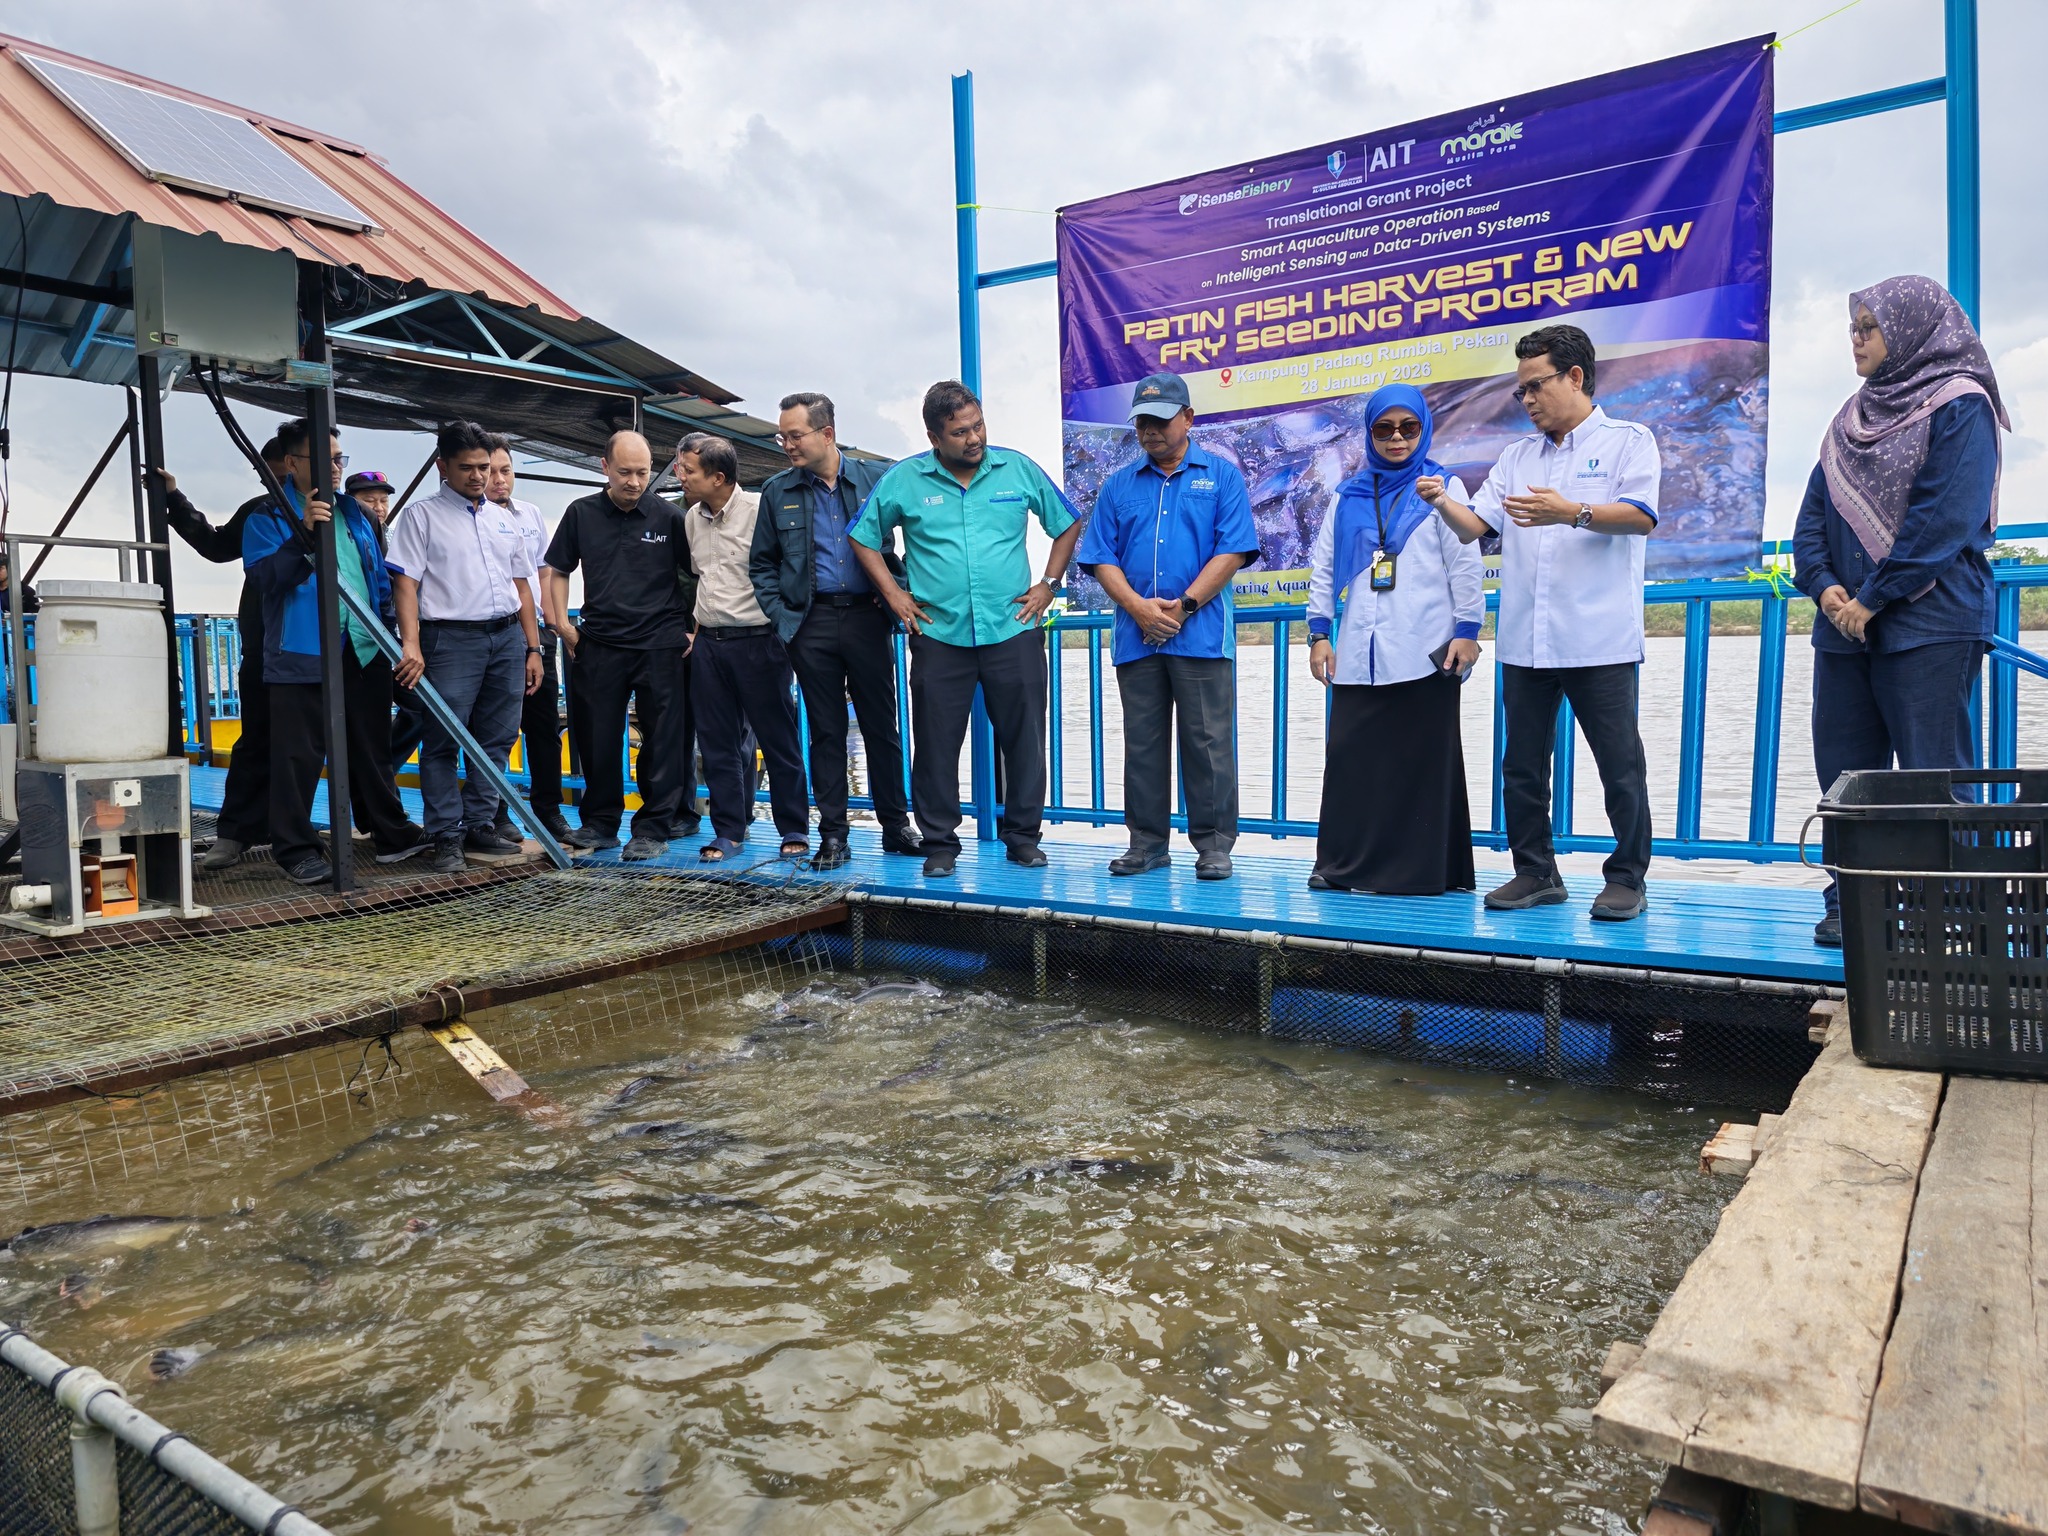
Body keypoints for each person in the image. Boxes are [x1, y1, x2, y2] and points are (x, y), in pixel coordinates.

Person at [1794, 275, 2008, 948]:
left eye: (1870, 327)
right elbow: (1811, 520)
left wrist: (1873, 597)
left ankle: (1948, 910)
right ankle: (1853, 900)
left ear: (1913, 331)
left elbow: (1946, 516)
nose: (1855, 339)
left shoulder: (1961, 404)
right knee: (1846, 778)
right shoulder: (1849, 418)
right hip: (1844, 630)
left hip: (1930, 624)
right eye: (1852, 327)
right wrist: (1825, 588)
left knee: (1932, 777)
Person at [1427, 323, 1660, 921]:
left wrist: (1572, 512)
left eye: (1536, 385)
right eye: (1521, 390)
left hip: (1598, 638)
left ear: (1575, 377)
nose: (1527, 399)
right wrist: (1442, 502)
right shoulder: (1516, 456)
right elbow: (1477, 529)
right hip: (1526, 640)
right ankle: (1536, 872)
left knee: (1619, 764)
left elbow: (1640, 516)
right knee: (1522, 767)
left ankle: (1627, 878)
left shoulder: (1629, 441)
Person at [849, 380, 1081, 879]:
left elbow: (1066, 523)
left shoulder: (1017, 468)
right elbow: (863, 537)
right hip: (940, 635)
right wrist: (894, 595)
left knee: (1025, 741)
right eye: (959, 432)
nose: (974, 438)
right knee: (936, 745)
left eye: (978, 426)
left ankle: (1023, 838)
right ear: (934, 437)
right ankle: (940, 843)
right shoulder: (904, 479)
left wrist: (1048, 585)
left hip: (1012, 628)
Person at [1075, 372, 1258, 880]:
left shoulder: (1222, 477)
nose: (1149, 431)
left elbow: (1232, 551)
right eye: (1141, 422)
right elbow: (1101, 556)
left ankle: (1214, 845)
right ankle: (1147, 844)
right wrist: (1138, 608)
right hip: (1137, 639)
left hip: (1200, 636)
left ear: (1188, 418)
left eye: (1160, 420)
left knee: (1208, 744)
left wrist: (1183, 608)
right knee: (1143, 744)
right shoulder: (1118, 485)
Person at [1306, 384, 1483, 894]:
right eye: (1384, 429)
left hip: (1425, 649)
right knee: (1352, 762)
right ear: (1370, 434)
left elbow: (1465, 563)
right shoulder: (1347, 496)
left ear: (1423, 429)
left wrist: (1468, 630)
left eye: (1408, 427)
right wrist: (1319, 633)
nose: (1396, 438)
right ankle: (1342, 866)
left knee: (1420, 765)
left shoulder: (1442, 486)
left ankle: (1418, 873)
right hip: (1358, 653)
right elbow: (1323, 568)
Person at [241, 419, 428, 884]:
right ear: (292, 463)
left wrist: (388, 635)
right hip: (302, 650)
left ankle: (390, 832)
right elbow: (264, 579)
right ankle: (296, 849)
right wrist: (303, 533)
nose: (337, 468)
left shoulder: (356, 513)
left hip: (362, 646)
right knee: (298, 755)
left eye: (339, 458)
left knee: (371, 745)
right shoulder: (267, 516)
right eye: (324, 459)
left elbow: (377, 578)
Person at [750, 391, 919, 870]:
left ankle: (895, 827)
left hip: (868, 617)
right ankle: (834, 836)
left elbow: (917, 538)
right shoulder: (777, 491)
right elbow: (762, 564)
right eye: (782, 437)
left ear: (827, 434)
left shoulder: (874, 479)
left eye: (795, 435)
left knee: (881, 727)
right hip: (811, 623)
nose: (787, 445)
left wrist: (900, 590)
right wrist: (784, 619)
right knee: (826, 733)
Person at [388, 421, 544, 874]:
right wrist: (411, 644)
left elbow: (522, 585)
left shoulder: (502, 518)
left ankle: (479, 822)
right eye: (467, 468)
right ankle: (445, 833)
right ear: (443, 466)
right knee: (442, 739)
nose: (478, 476)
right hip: (450, 640)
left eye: (484, 467)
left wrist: (533, 648)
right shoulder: (421, 517)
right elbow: (405, 583)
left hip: (506, 637)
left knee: (498, 737)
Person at [543, 430, 697, 861]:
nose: (634, 481)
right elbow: (558, 569)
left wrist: (695, 629)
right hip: (599, 643)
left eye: (643, 473)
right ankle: (600, 823)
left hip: (660, 644)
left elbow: (702, 574)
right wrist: (563, 626)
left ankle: (653, 827)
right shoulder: (581, 513)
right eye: (625, 472)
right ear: (605, 467)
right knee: (597, 737)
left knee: (663, 740)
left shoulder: (670, 518)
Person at [674, 432, 810, 863]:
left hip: (760, 641)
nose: (680, 476)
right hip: (710, 644)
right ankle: (730, 831)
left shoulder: (759, 510)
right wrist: (696, 629)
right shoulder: (691, 517)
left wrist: (786, 632)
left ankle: (794, 828)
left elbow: (790, 572)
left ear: (718, 477)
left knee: (778, 740)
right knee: (717, 744)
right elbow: (702, 577)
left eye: (688, 470)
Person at [155, 440, 286, 868]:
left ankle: (307, 832)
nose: (273, 481)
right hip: (268, 645)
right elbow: (216, 546)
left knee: (332, 739)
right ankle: (236, 833)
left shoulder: (345, 515)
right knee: (258, 739)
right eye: (269, 474)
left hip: (335, 649)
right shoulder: (261, 512)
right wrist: (175, 498)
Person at [476, 439, 574, 844]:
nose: (499, 480)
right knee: (497, 728)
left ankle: (549, 810)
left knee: (544, 726)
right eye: (492, 471)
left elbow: (544, 572)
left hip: (536, 635)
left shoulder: (530, 514)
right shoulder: (472, 518)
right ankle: (497, 813)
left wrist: (555, 624)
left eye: (506, 470)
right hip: (495, 633)